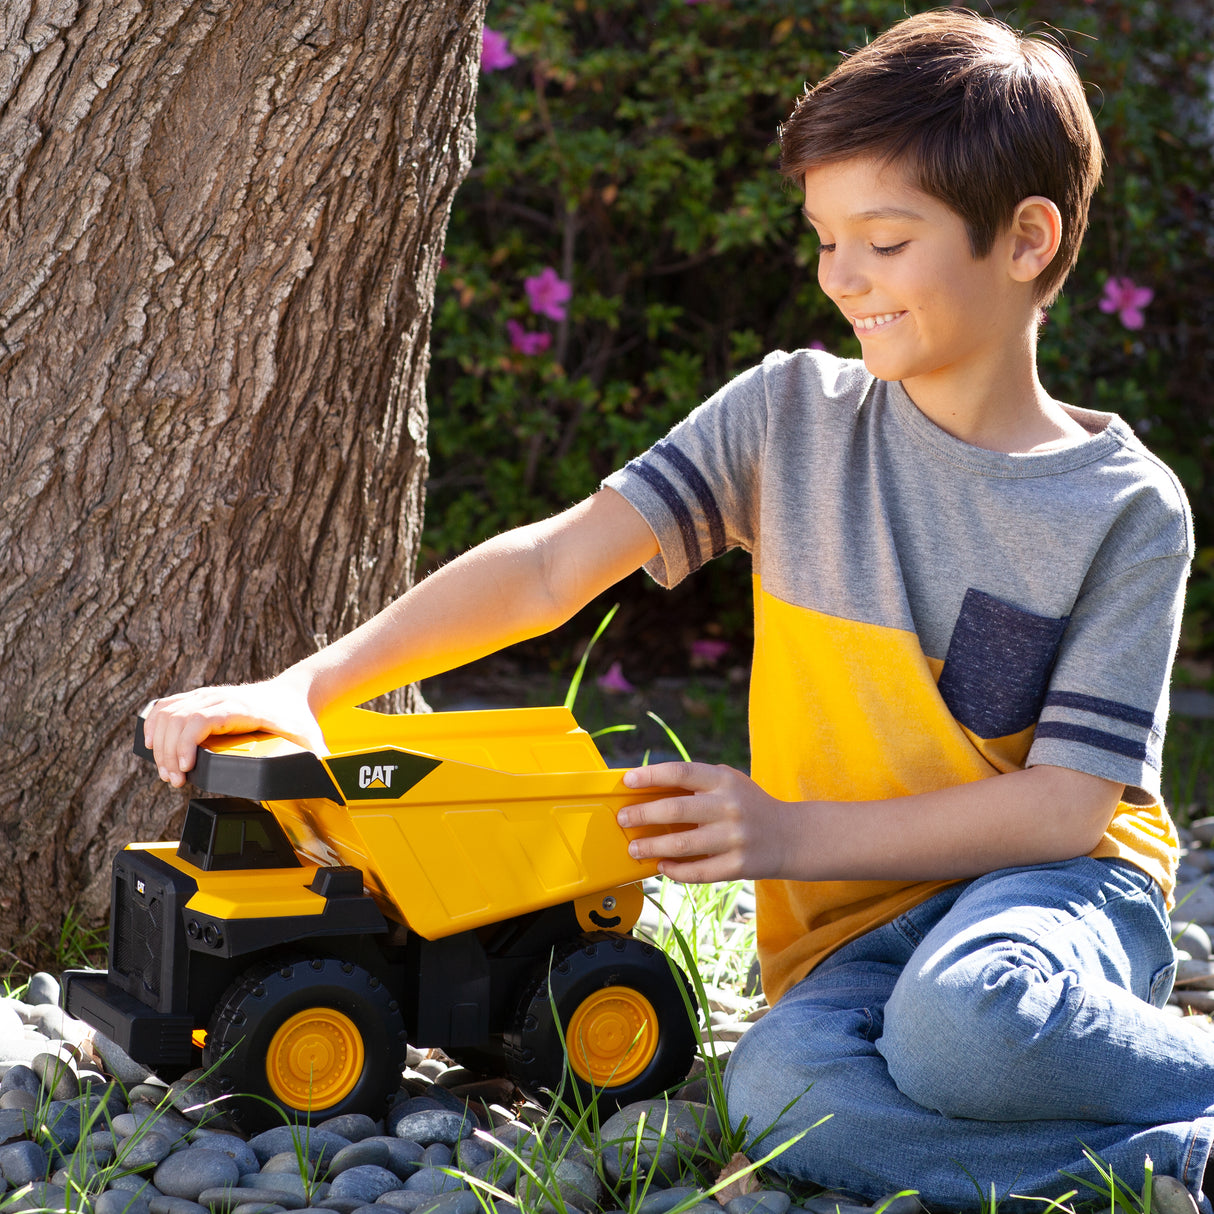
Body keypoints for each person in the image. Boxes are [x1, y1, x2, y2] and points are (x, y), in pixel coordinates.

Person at [144, 9, 1202, 1210]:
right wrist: (308, 686)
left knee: (964, 1025)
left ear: (1023, 239)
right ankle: (1173, 1152)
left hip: (1052, 888)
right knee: (782, 1101)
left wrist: (783, 833)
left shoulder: (1123, 507)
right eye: (824, 239)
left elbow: (1064, 809)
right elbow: (551, 569)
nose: (839, 277)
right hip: (854, 938)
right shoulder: (789, 416)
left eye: (883, 241)